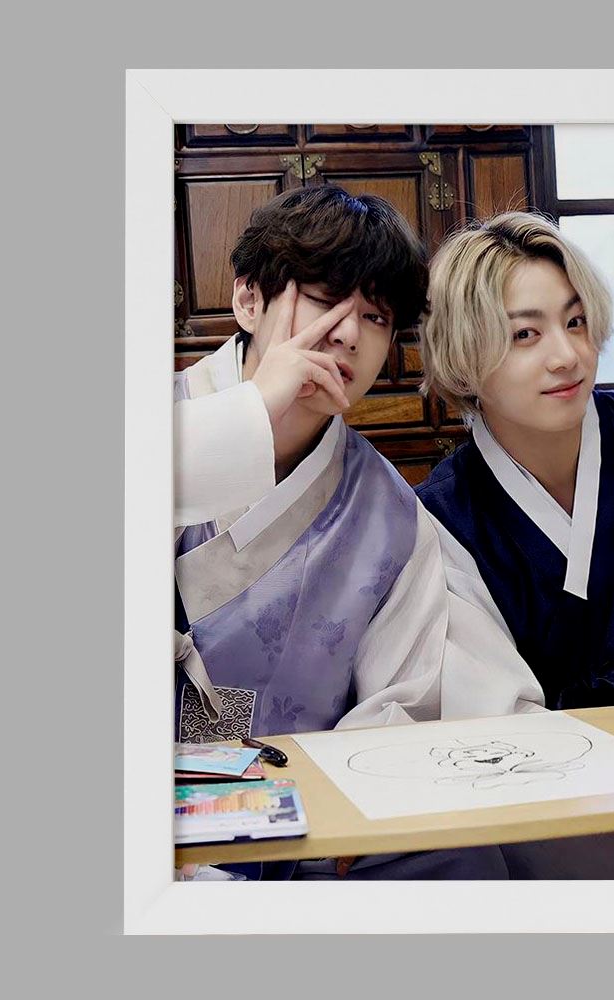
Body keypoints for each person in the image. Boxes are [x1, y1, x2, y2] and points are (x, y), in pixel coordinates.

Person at [172, 187, 544, 881]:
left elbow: (409, 694)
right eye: (322, 298)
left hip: (295, 828)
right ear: (248, 299)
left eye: (374, 316)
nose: (346, 334)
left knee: (465, 865)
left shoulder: (386, 510)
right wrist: (253, 410)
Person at [413, 212, 614, 880]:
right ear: (466, 358)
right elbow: (501, 727)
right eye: (526, 334)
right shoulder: (441, 521)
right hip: (557, 815)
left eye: (575, 322)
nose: (567, 355)